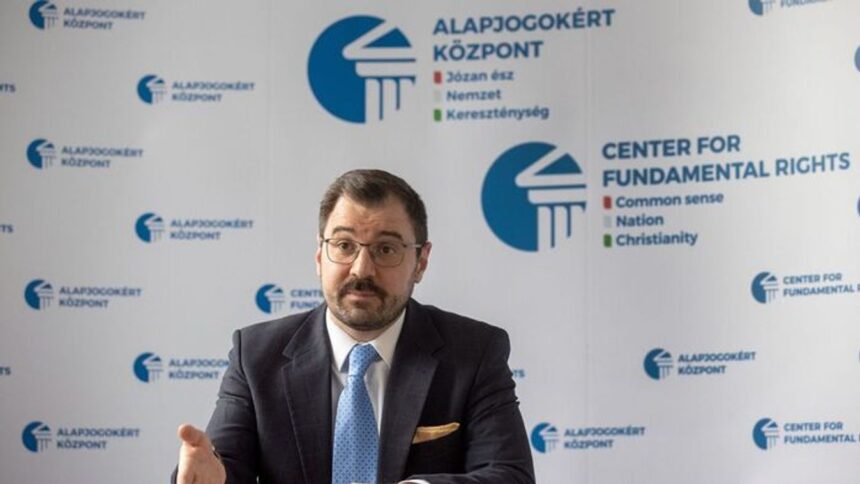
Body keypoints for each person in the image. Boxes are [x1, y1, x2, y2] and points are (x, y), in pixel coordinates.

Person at [174, 169, 534, 483]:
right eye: (344, 245)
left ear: (421, 262)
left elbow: (509, 475)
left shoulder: (474, 352)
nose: (362, 269)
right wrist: (210, 479)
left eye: (386, 249)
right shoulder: (256, 355)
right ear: (320, 255)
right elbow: (223, 468)